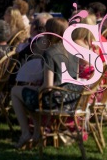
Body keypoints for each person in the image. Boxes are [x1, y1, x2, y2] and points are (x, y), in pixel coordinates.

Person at [10, 17, 81, 149]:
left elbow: (48, 86)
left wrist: (37, 87)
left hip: (54, 101)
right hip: (71, 99)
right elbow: (73, 77)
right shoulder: (73, 50)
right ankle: (37, 132)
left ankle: (26, 133)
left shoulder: (50, 52)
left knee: (15, 91)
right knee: (28, 93)